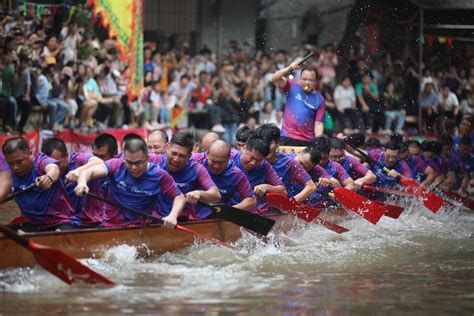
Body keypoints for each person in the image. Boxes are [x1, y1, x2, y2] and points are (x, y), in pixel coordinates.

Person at [74, 138, 185, 227]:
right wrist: (82, 183)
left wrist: (173, 216)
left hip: (140, 227)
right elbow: (89, 172)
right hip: (109, 225)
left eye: (138, 163)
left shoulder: (159, 175)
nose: (134, 168)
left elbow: (179, 197)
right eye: (129, 162)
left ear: (147, 158)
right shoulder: (116, 165)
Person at [3, 137, 78, 231]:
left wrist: (49, 177)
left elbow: (53, 168)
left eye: (19, 162)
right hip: (33, 225)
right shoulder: (8, 175)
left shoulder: (40, 162)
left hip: (61, 223)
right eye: (10, 163)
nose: (15, 167)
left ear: (30, 153)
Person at [148, 132, 221, 220]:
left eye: (182, 156)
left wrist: (199, 194)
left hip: (183, 220)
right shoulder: (154, 160)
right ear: (167, 147)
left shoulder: (196, 168)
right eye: (174, 153)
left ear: (190, 156)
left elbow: (216, 195)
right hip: (154, 220)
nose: (176, 159)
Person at [41, 138, 103, 227]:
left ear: (66, 156)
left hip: (91, 220)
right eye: (50, 164)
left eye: (57, 163)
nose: (54, 168)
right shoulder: (44, 169)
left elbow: (99, 162)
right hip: (65, 220)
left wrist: (78, 171)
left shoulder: (78, 160)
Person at [270, 58, 326, 146]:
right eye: (304, 79)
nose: (307, 82)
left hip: (307, 141)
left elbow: (318, 124)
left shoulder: (320, 99)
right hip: (287, 137)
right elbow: (274, 78)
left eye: (310, 80)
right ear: (300, 79)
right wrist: (290, 68)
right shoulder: (292, 87)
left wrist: (319, 143)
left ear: (316, 82)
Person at [257, 124, 317, 202]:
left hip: (281, 205)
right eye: (263, 143)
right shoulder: (253, 160)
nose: (265, 147)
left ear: (278, 143)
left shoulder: (288, 162)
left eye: (269, 143)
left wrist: (293, 201)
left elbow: (311, 187)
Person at [232, 134, 286, 213]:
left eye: (258, 160)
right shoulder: (229, 158)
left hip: (252, 211)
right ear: (243, 148)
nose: (253, 163)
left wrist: (267, 187)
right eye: (252, 158)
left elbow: (283, 191)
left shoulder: (264, 166)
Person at [203, 140, 256, 211]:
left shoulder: (235, 173)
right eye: (213, 161)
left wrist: (229, 211)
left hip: (220, 215)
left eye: (221, 162)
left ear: (229, 158)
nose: (216, 166)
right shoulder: (197, 161)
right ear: (207, 154)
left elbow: (251, 200)